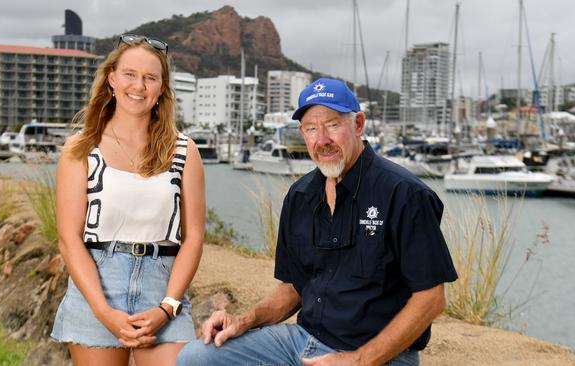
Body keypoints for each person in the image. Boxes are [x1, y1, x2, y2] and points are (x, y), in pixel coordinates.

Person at [177, 78, 457, 366]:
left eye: (333, 125)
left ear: (358, 124)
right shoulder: (300, 196)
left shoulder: (405, 194)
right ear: (302, 133)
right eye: (311, 129)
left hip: (378, 356)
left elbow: (431, 298)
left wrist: (358, 360)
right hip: (302, 341)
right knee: (195, 358)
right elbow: (294, 288)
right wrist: (244, 321)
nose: (322, 140)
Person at [50, 34, 205, 366]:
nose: (139, 85)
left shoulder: (184, 151)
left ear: (162, 88)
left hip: (164, 288)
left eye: (150, 78)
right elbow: (69, 239)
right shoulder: (80, 149)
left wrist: (168, 307)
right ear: (112, 79)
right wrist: (104, 312)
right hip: (98, 286)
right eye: (130, 74)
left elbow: (193, 239)